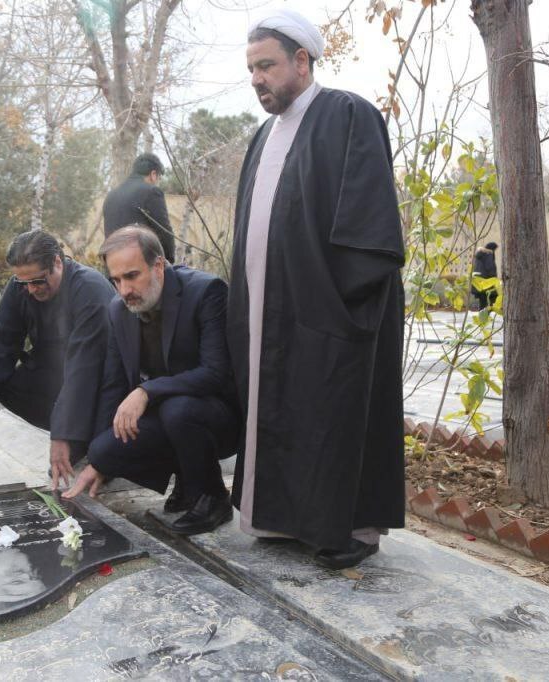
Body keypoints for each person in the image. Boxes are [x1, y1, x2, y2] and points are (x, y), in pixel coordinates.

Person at [227, 9, 406, 569]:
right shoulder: (264, 135)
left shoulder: (347, 114)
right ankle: (282, 518)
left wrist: (336, 302)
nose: (257, 78)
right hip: (268, 309)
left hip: (327, 310)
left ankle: (349, 527)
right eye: (251, 69)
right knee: (278, 410)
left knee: (332, 414)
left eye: (267, 66)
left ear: (301, 61)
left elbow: (370, 220)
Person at [64, 226, 239, 535]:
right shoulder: (119, 310)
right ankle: (187, 477)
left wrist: (146, 391)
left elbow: (215, 373)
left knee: (177, 410)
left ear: (158, 265)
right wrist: (101, 458)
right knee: (103, 451)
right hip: (169, 413)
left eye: (132, 276)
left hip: (218, 418)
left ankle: (213, 497)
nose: (124, 290)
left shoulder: (206, 291)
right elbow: (114, 384)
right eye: (116, 280)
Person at [0, 231, 115, 488]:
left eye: (38, 281)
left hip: (101, 377)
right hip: (55, 369)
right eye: (23, 282)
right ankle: (76, 439)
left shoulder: (89, 289)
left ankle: (99, 448)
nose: (31, 289)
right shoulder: (22, 286)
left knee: (90, 395)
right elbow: (1, 343)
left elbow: (84, 370)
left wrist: (60, 435)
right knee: (2, 383)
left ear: (57, 262)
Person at [103, 153, 176, 263]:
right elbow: (164, 232)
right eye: (159, 178)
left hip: (114, 265)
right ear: (153, 174)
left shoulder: (111, 196)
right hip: (140, 265)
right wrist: (169, 261)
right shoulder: (152, 192)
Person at [471, 241, 499, 310]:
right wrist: (494, 278)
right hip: (486, 281)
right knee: (493, 298)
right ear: (492, 248)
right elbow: (490, 267)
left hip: (478, 282)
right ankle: (487, 314)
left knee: (483, 300)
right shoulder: (488, 254)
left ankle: (482, 313)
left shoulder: (479, 255)